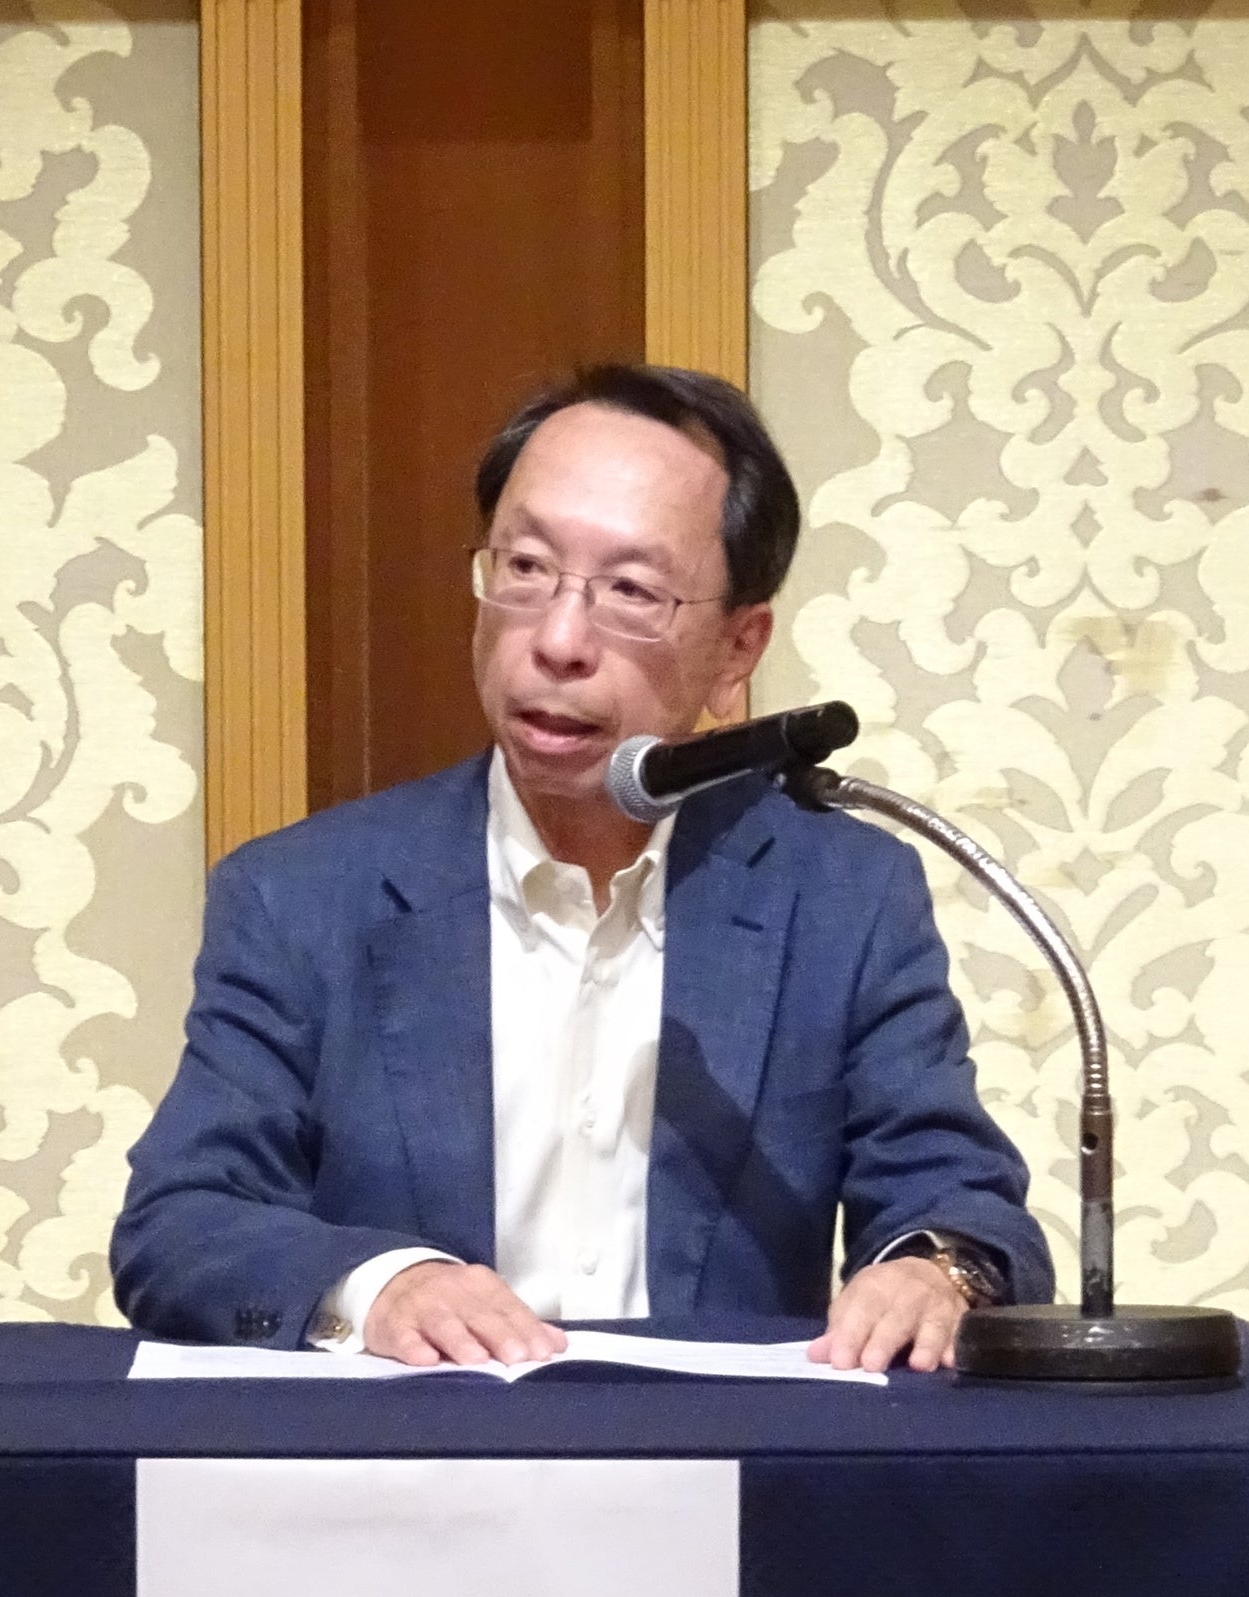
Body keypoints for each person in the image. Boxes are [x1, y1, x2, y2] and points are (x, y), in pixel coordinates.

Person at [111, 362, 1049, 1370]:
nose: (558, 640)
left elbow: (957, 1197)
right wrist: (381, 1288)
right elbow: (181, 1222)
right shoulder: (300, 897)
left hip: (718, 1455)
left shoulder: (840, 897)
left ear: (738, 650)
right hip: (412, 1454)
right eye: (525, 568)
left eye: (632, 591)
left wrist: (933, 1273)